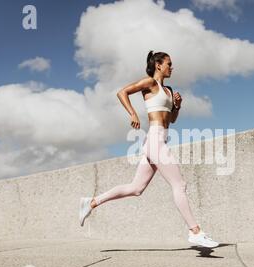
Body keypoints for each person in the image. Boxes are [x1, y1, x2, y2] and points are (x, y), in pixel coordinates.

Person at [79, 51, 219, 248]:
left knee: (136, 188)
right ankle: (195, 231)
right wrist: (133, 114)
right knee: (180, 185)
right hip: (154, 140)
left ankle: (91, 202)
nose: (172, 67)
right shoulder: (150, 83)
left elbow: (171, 120)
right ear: (158, 65)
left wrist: (177, 106)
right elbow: (122, 92)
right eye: (169, 63)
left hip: (159, 140)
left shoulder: (169, 91)